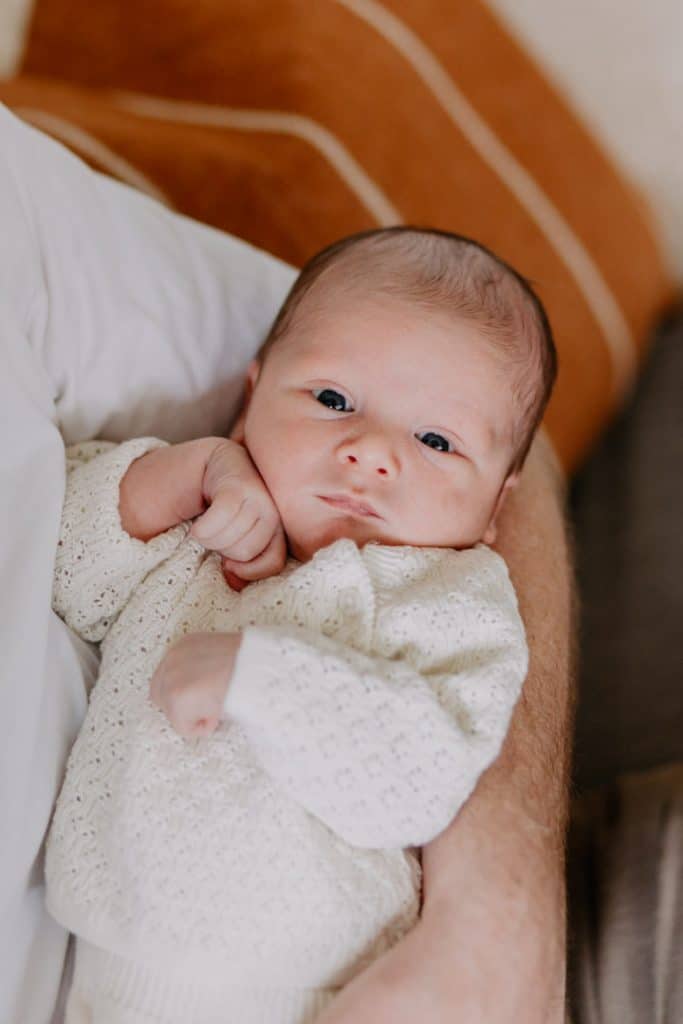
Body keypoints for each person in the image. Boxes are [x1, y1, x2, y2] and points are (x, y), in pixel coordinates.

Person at [46, 227, 557, 1023]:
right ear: (250, 399)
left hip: (313, 993)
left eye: (435, 440)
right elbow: (61, 564)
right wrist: (187, 476)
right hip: (104, 977)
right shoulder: (198, 527)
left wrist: (262, 680)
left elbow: (418, 775)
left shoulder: (452, 601)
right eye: (332, 400)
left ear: (496, 503)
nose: (370, 452)